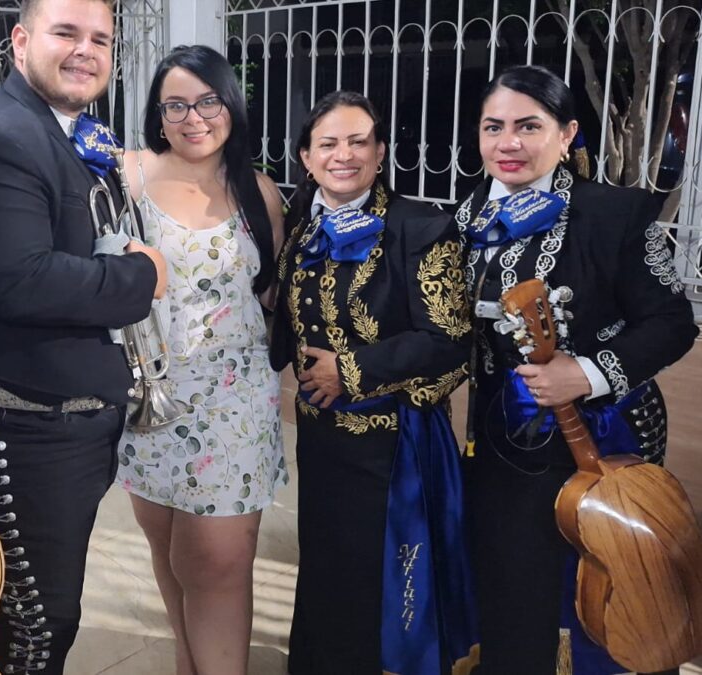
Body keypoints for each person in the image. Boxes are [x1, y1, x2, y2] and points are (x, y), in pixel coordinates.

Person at [0, 0, 167, 672]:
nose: (86, 50)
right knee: (35, 626)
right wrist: (139, 277)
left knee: (40, 615)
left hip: (58, 425)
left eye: (100, 39)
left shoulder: (65, 133)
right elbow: (20, 279)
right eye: (66, 33)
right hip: (14, 429)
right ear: (21, 41)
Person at [457, 64, 698, 674]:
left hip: (608, 432)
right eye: (494, 127)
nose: (508, 142)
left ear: (566, 135)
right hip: (501, 438)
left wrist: (589, 373)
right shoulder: (465, 221)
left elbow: (673, 323)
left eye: (528, 126)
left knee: (615, 581)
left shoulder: (615, 215)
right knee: (513, 585)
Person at [271, 91, 478, 674]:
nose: (344, 155)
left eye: (359, 141)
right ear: (306, 158)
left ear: (381, 151)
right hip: (319, 437)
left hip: (392, 445)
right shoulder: (300, 224)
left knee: (376, 577)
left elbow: (449, 339)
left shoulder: (420, 228)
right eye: (328, 144)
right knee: (323, 566)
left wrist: (352, 370)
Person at [112, 45, 288, 675]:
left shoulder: (257, 190)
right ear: (158, 116)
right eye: (176, 105)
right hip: (149, 400)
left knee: (218, 563)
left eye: (209, 100)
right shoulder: (126, 176)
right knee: (171, 556)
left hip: (235, 403)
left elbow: (271, 294)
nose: (194, 117)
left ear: (231, 106)